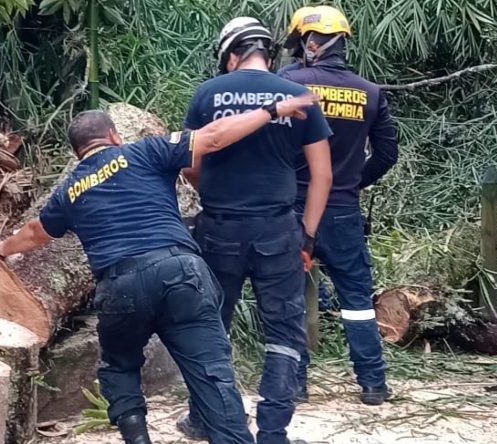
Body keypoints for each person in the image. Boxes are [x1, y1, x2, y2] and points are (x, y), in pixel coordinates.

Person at [0, 95, 321, 444]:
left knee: (120, 368)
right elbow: (214, 135)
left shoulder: (69, 191)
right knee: (212, 373)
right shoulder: (145, 151)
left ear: (77, 152)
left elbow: (34, 233)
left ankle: (138, 439)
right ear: (114, 136)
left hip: (120, 285)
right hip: (181, 272)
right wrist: (272, 110)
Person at [177, 16, 333, 444]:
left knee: (209, 326)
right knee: (284, 332)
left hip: (218, 229)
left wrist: (211, 190)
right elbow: (322, 176)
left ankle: (204, 420)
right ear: (269, 53)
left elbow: (191, 163)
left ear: (231, 55)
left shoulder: (208, 93)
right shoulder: (298, 96)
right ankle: (272, 434)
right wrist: (308, 235)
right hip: (278, 232)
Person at [280, 5, 399, 406]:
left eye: (299, 45)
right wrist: (354, 183)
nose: (298, 52)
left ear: (311, 44)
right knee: (357, 300)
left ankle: (295, 384)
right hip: (344, 209)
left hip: (293, 208)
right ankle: (373, 384)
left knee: (289, 297)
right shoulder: (370, 92)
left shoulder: (288, 83)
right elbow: (386, 153)